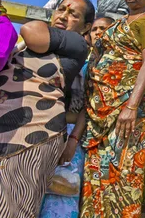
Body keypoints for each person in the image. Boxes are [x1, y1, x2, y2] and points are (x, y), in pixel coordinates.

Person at [81, 0, 145, 218]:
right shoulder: (118, 24)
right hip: (101, 112)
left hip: (131, 110)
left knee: (126, 169)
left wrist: (131, 105)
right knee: (97, 170)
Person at [0, 0, 93, 218]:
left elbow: (31, 30)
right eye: (61, 9)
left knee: (14, 207)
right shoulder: (21, 48)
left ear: (86, 26)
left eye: (73, 14)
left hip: (33, 135)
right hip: (4, 132)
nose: (64, 15)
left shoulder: (76, 44)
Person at [39, 15, 114, 218]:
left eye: (104, 29)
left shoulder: (97, 67)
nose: (99, 33)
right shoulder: (59, 56)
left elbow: (86, 108)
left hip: (74, 132)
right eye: (96, 29)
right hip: (41, 131)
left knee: (63, 190)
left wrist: (72, 140)